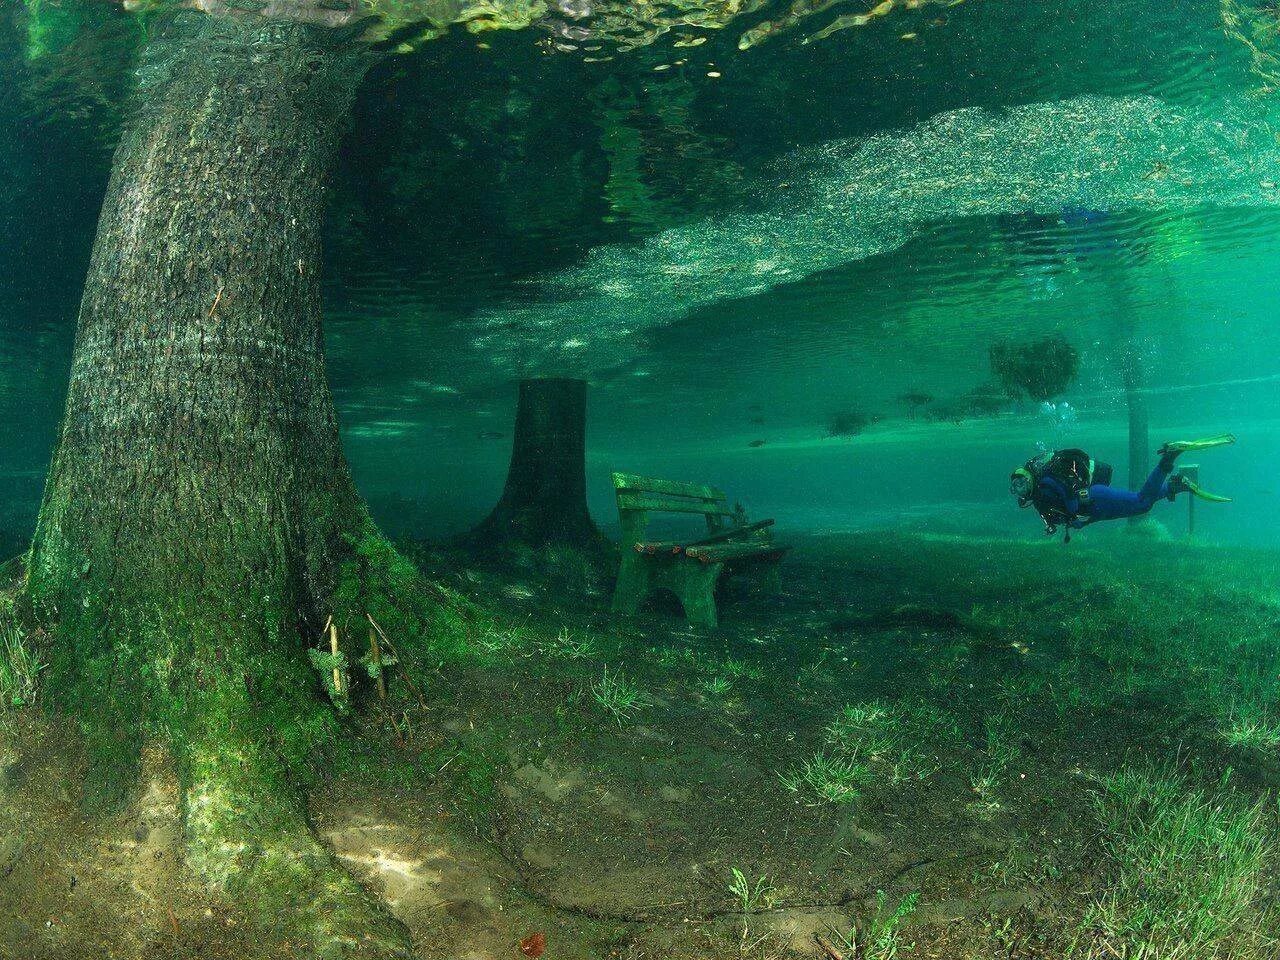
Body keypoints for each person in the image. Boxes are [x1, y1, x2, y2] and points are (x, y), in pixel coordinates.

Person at [1010, 435, 1234, 539]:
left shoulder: (1046, 484)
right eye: (1016, 487)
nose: (1020, 488)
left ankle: (1169, 457)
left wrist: (1072, 518)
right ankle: (1175, 486)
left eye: (1021, 482)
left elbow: (1069, 499)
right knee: (1140, 504)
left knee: (1141, 502)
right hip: (1096, 507)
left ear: (1029, 477)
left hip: (1095, 499)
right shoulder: (1038, 495)